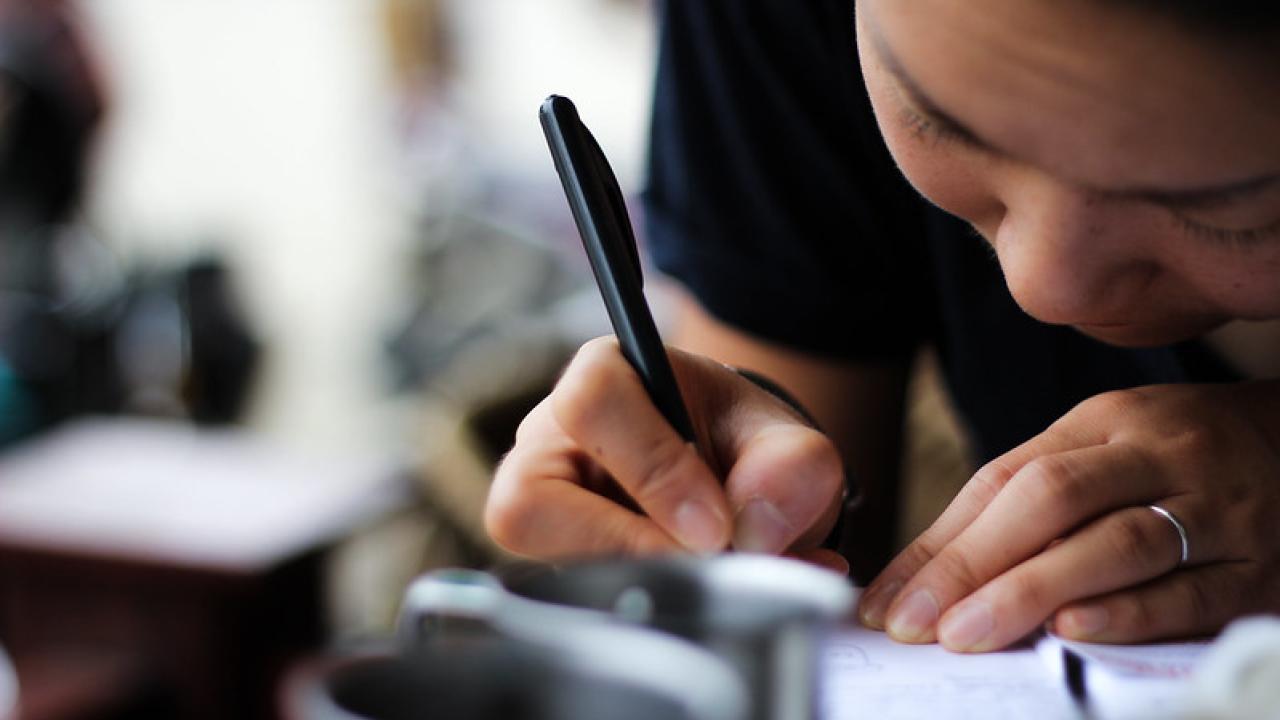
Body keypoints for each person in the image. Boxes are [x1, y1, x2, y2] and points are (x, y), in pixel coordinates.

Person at [484, 0, 1280, 653]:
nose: (1042, 287)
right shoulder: (777, 23)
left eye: (1233, 219)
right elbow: (796, 568)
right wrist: (742, 474)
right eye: (935, 121)